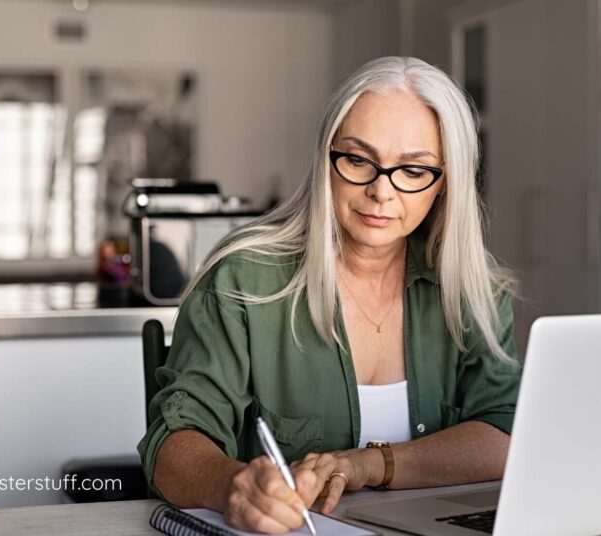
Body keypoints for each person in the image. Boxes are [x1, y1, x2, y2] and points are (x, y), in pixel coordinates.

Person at [137, 56, 521, 534]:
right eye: (359, 160)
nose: (382, 191)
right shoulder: (242, 279)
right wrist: (230, 485)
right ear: (326, 159)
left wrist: (367, 464)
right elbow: (172, 443)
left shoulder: (473, 287)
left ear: (445, 184)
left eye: (414, 169)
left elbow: (505, 434)